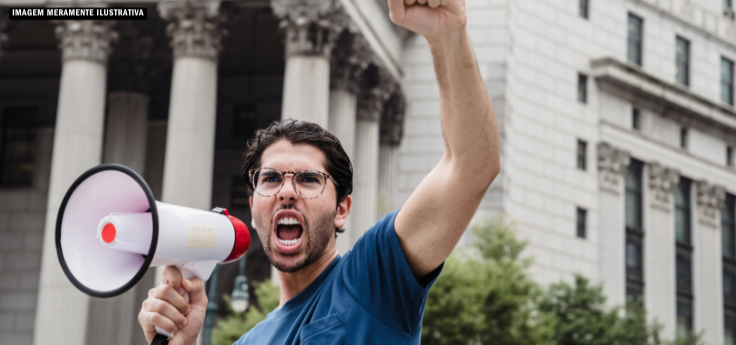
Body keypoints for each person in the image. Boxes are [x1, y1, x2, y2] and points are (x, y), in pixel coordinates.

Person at [137, 0, 499, 343]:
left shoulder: (371, 281)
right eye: (271, 178)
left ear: (342, 208)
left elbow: (472, 165)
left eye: (309, 179)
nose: (286, 191)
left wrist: (448, 33)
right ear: (253, 206)